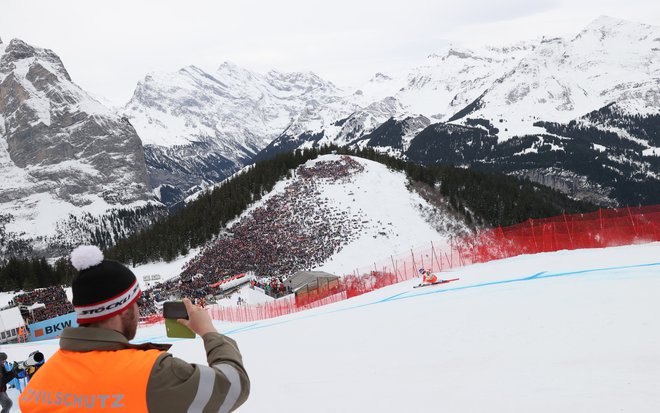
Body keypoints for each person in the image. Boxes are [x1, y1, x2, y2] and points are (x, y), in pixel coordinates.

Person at [20, 245, 250, 412]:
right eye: (135, 303)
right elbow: (234, 386)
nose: (139, 310)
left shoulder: (40, 382)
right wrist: (209, 332)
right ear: (121, 310)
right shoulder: (154, 373)